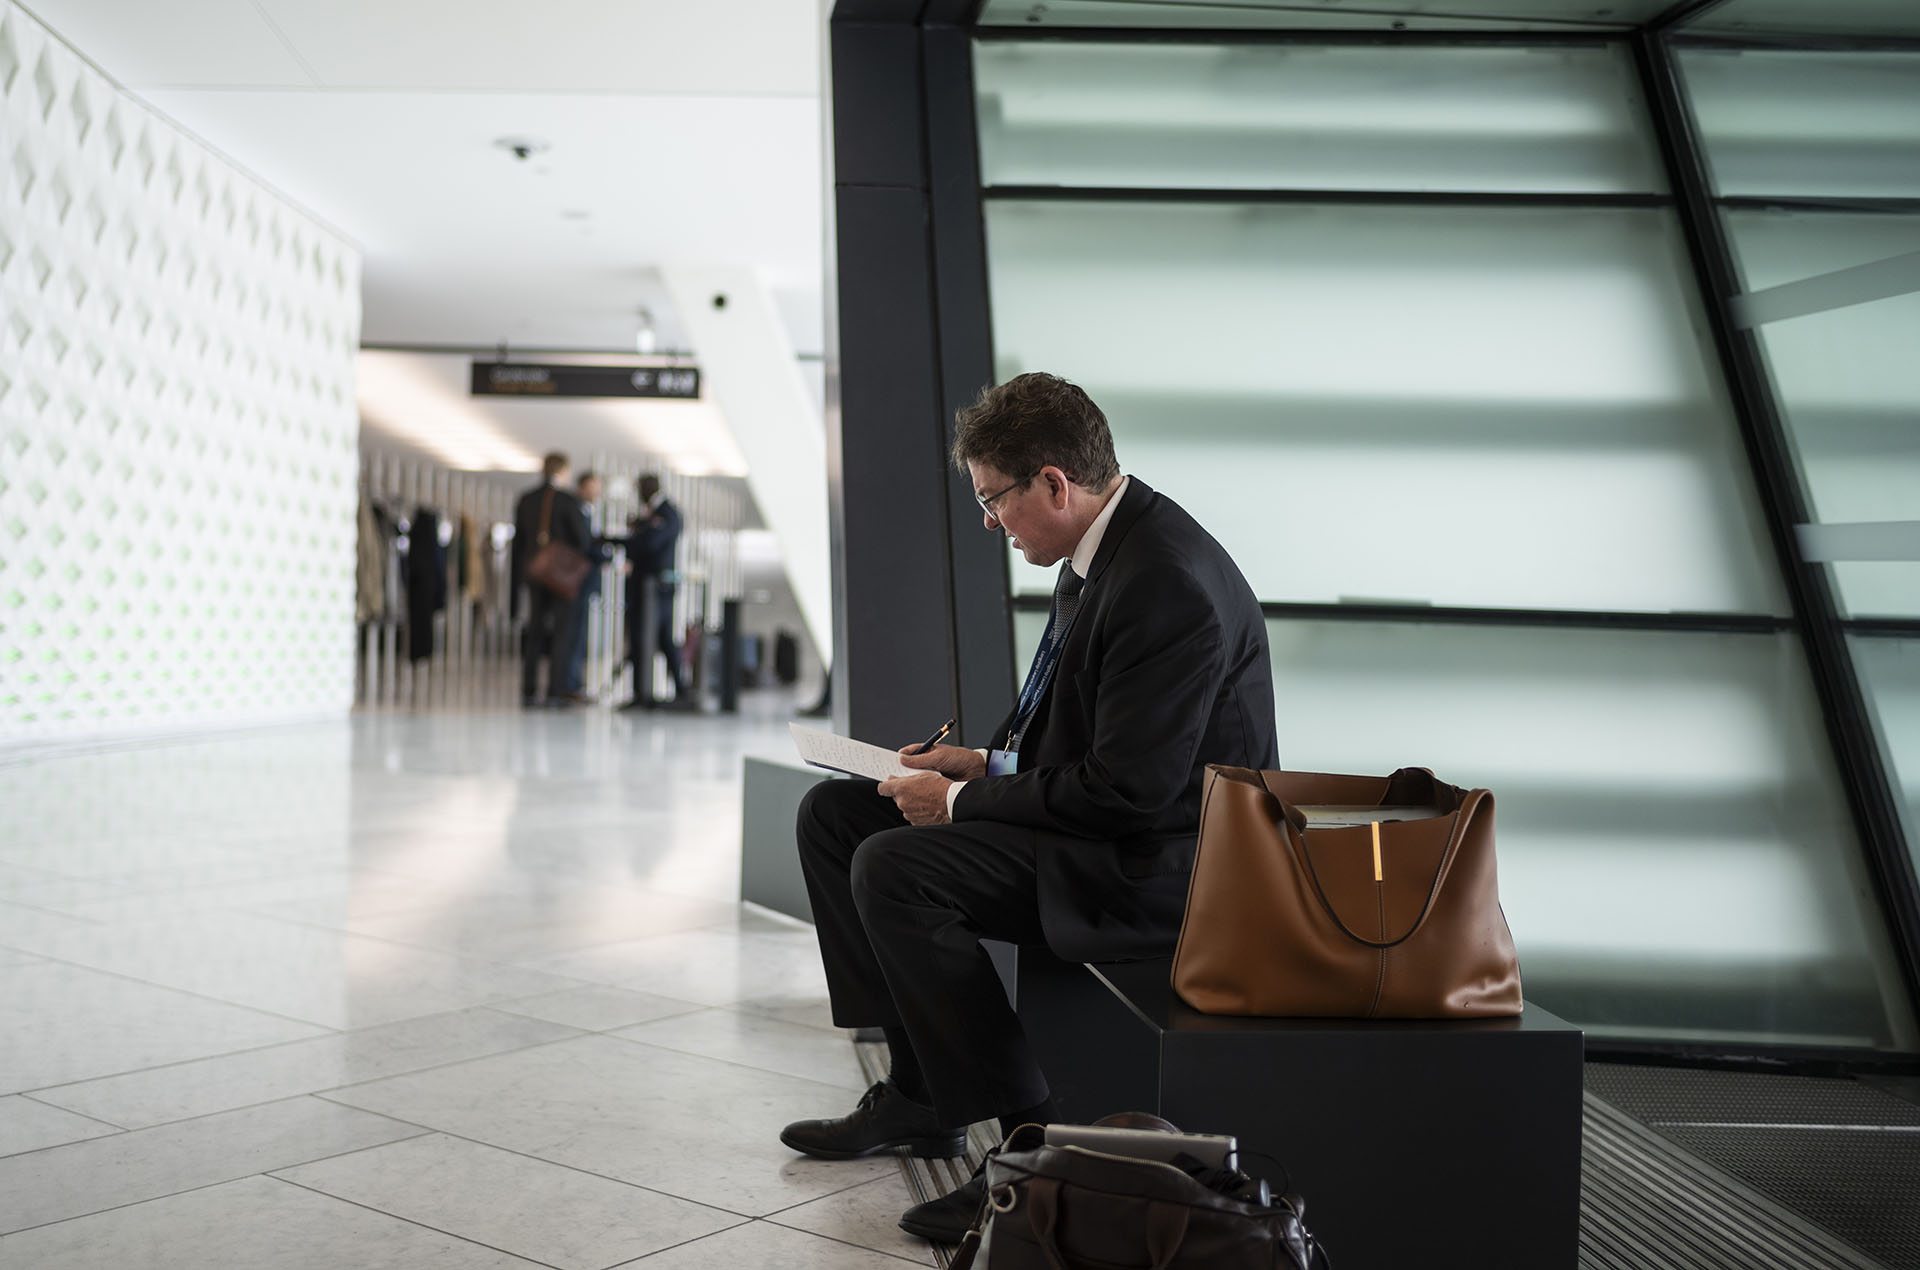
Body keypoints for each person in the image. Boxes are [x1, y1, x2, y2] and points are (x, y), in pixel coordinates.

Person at [779, 373, 1278, 1244]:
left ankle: (1028, 1143)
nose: (988, 522)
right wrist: (977, 763)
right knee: (837, 816)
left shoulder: (1165, 581)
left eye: (993, 499)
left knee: (896, 867)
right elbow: (1087, 748)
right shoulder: (1101, 554)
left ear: (1053, 482)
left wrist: (966, 798)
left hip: (1157, 864)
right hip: (1109, 828)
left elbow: (1131, 791)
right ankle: (920, 1093)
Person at [510, 451, 592, 707]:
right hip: (560, 578)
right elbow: (582, 540)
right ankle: (555, 690)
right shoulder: (568, 501)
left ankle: (529, 689)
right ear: (562, 472)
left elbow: (520, 542)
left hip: (535, 573)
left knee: (534, 631)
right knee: (561, 633)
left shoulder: (526, 499)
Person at [616, 473, 691, 710]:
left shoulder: (667, 513)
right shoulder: (653, 514)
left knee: (648, 637)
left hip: (655, 588)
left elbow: (649, 544)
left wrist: (627, 538)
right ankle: (660, 691)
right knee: (658, 639)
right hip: (647, 587)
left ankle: (659, 692)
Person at [557, 471, 614, 703]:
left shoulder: (588, 511)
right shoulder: (575, 509)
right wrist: (608, 558)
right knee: (572, 634)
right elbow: (584, 544)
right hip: (576, 582)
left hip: (584, 583)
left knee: (579, 634)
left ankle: (573, 683)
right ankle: (568, 685)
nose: (596, 492)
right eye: (592, 487)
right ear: (581, 487)